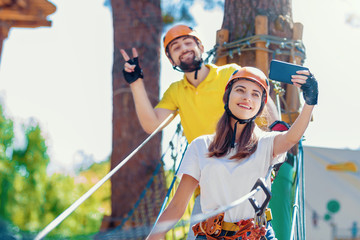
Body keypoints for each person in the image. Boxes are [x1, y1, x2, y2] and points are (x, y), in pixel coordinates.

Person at [121, 25, 280, 239]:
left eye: (188, 42)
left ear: (201, 47)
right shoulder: (176, 91)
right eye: (175, 47)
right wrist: (136, 83)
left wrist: (275, 149)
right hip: (206, 190)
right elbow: (152, 125)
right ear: (171, 60)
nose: (183, 48)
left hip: (244, 178)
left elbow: (265, 107)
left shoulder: (228, 74)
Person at [146, 66, 318, 240]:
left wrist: (309, 103)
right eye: (240, 90)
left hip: (256, 235)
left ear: (260, 106)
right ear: (227, 96)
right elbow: (176, 206)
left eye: (255, 94)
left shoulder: (267, 144)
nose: (247, 98)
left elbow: (291, 138)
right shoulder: (201, 146)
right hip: (212, 236)